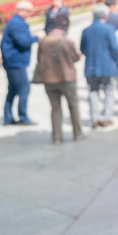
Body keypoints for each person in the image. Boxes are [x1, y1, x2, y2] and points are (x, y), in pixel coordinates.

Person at [32, 14, 84, 143]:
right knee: (73, 106)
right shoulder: (67, 41)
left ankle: (56, 137)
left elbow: (39, 60)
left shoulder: (43, 42)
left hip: (49, 80)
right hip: (67, 78)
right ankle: (77, 134)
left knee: (55, 108)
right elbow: (75, 58)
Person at [0, 0, 43, 125]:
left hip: (13, 60)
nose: (30, 14)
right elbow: (23, 42)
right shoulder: (16, 23)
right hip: (15, 61)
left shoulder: (16, 22)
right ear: (20, 10)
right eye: (29, 11)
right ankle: (22, 116)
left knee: (13, 90)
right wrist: (37, 37)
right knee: (24, 88)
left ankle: (8, 117)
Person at [79, 4, 118, 128]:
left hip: (91, 66)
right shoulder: (108, 29)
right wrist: (116, 60)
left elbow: (83, 48)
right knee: (108, 91)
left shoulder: (86, 30)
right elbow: (114, 48)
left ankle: (95, 118)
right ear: (105, 16)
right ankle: (107, 117)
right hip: (106, 66)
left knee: (93, 92)